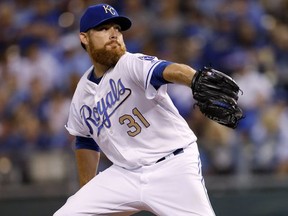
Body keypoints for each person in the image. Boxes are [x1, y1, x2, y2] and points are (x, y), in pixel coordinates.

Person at [54, 3, 216, 216]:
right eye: (103, 29)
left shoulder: (131, 63)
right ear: (84, 38)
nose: (114, 34)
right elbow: (85, 139)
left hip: (173, 166)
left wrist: (194, 79)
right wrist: (89, 192)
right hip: (124, 175)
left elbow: (167, 70)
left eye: (117, 29)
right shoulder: (82, 93)